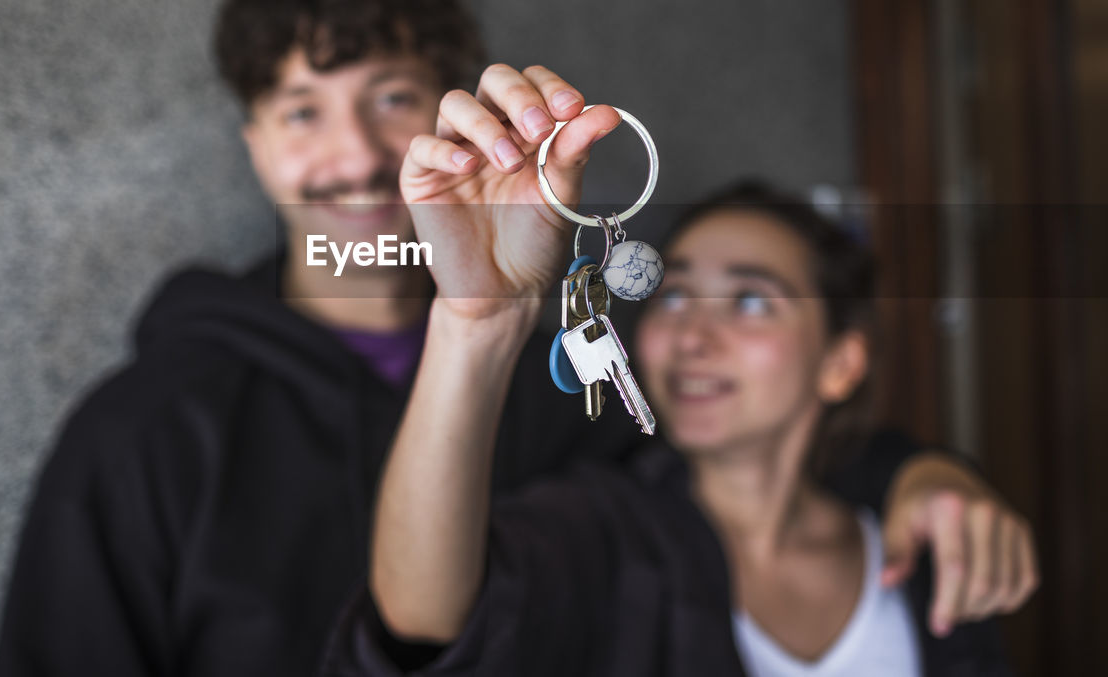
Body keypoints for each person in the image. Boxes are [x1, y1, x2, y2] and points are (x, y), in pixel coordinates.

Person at [0, 0, 1035, 675]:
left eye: (391, 97)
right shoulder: (145, 432)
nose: (351, 157)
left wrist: (921, 474)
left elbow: (744, 447)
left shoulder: (567, 392)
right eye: (299, 110)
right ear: (251, 145)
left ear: (458, 115)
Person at [326, 65, 1038, 675]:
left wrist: (936, 473)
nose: (694, 333)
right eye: (676, 293)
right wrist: (475, 322)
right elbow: (420, 625)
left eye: (753, 299)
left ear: (840, 360)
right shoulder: (603, 533)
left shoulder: (927, 543)